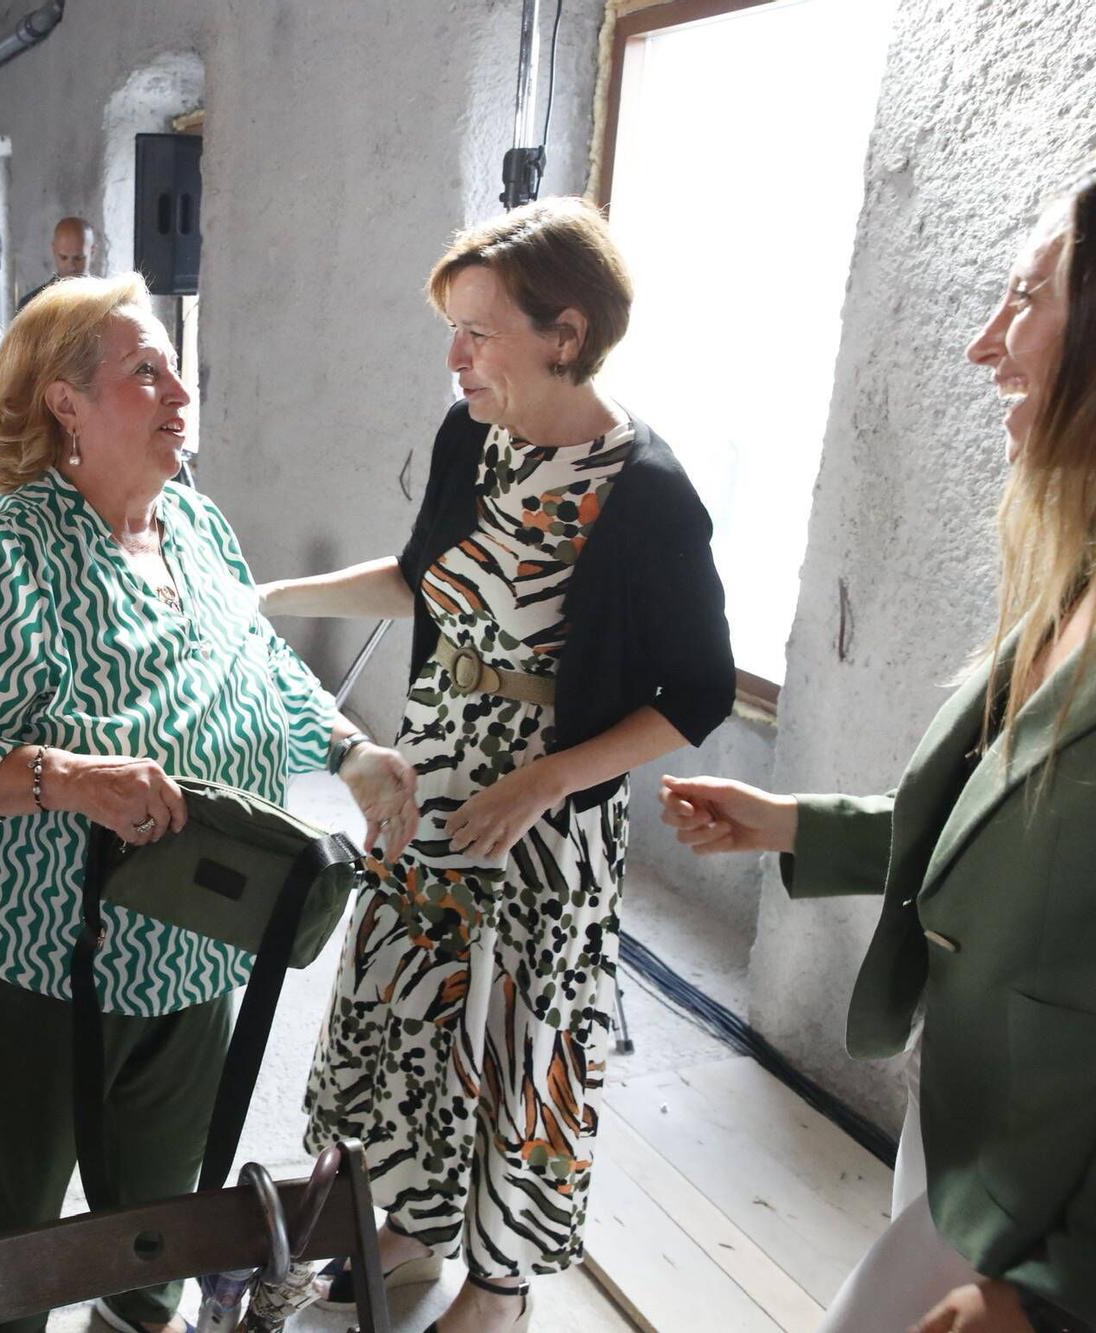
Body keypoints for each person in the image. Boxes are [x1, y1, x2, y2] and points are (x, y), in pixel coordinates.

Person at [0, 273, 418, 1333]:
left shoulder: (196, 527)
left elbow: (259, 661)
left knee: (158, 1215)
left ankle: (138, 1316)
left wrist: (346, 747)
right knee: (23, 1224)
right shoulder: (6, 553)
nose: (177, 389)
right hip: (36, 948)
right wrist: (66, 778)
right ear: (65, 403)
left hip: (196, 938)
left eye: (175, 365)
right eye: (143, 370)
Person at [272, 197, 734, 1332]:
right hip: (430, 777)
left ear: (563, 334)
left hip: (544, 812)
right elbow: (425, 576)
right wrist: (266, 594)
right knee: (409, 1011)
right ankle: (418, 1228)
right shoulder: (466, 437)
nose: (454, 355)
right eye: (453, 329)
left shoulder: (645, 490)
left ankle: (503, 1281)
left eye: (476, 331)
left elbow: (696, 695)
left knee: (515, 1040)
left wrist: (541, 782)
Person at [660, 171, 1096, 1333]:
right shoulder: (1072, 580)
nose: (980, 344)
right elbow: (1004, 830)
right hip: (971, 1135)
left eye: (1023, 296)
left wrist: (1052, 1295)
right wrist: (792, 823)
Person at [18, 216, 96, 312]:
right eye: (63, 258)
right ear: (54, 250)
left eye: (78, 258)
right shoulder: (30, 306)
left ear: (92, 252)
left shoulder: (108, 303)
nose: (71, 267)